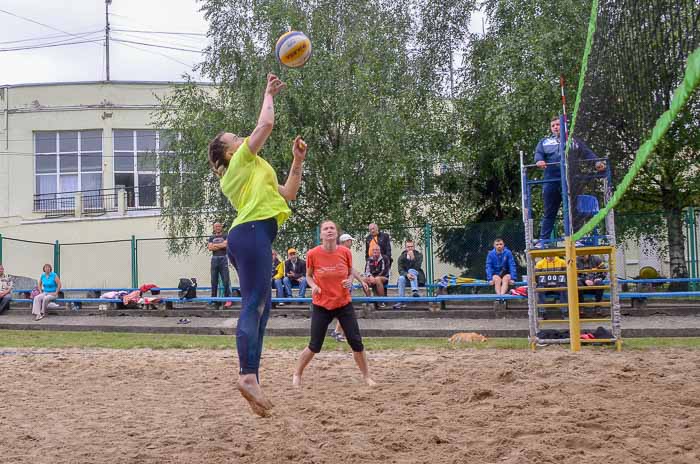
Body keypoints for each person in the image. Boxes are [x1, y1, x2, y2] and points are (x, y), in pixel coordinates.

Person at [207, 72, 307, 417]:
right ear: (229, 150)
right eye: (235, 137)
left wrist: (297, 160)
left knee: (262, 309)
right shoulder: (240, 161)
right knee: (253, 303)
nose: (242, 136)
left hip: (252, 235)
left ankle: (253, 380)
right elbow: (265, 124)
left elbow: (288, 193)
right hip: (249, 234)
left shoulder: (254, 166)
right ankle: (247, 376)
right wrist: (268, 93)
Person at [292, 220, 375, 388]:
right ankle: (297, 374)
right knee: (315, 345)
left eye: (332, 228)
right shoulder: (313, 254)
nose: (329, 230)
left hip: (343, 303)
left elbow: (350, 271)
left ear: (336, 234)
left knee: (356, 343)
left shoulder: (345, 252)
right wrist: (314, 286)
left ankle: (367, 376)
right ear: (321, 234)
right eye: (325, 228)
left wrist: (350, 281)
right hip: (321, 304)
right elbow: (308, 276)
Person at [535, 116, 606, 246]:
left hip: (570, 181)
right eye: (553, 125)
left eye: (558, 124)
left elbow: (588, 153)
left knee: (573, 210)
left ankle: (576, 238)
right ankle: (543, 240)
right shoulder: (544, 142)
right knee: (549, 212)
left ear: (564, 127)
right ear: (551, 128)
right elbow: (538, 154)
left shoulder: (573, 141)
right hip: (551, 181)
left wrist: (597, 162)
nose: (556, 127)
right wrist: (539, 160)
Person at [332, 233, 369, 341]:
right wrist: (359, 280)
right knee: (344, 310)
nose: (351, 243)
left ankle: (338, 332)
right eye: (350, 241)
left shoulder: (344, 252)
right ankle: (337, 332)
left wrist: (360, 280)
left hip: (344, 285)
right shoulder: (341, 252)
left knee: (344, 310)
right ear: (346, 241)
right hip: (342, 286)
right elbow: (348, 270)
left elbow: (350, 270)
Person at [393, 240, 426, 309]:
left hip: (417, 278)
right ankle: (401, 301)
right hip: (407, 278)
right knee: (401, 278)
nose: (410, 248)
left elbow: (417, 267)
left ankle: (414, 291)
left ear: (414, 247)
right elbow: (400, 270)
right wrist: (407, 275)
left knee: (411, 270)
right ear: (405, 248)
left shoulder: (419, 255)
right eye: (408, 247)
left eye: (411, 246)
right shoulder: (401, 257)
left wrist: (413, 258)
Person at [207, 222, 233, 308]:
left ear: (221, 227)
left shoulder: (226, 236)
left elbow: (226, 245)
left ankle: (228, 299)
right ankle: (214, 299)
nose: (217, 228)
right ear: (214, 228)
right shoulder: (211, 237)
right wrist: (220, 245)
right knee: (214, 281)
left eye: (219, 226)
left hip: (223, 258)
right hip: (214, 259)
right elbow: (210, 248)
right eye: (216, 226)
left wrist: (215, 245)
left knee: (225, 280)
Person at [535, 255, 568, 319]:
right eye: (548, 254)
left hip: (558, 286)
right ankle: (542, 313)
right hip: (545, 286)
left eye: (552, 254)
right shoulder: (539, 264)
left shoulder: (562, 262)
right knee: (540, 288)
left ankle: (565, 312)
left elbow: (566, 276)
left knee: (563, 288)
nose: (550, 256)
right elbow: (536, 278)